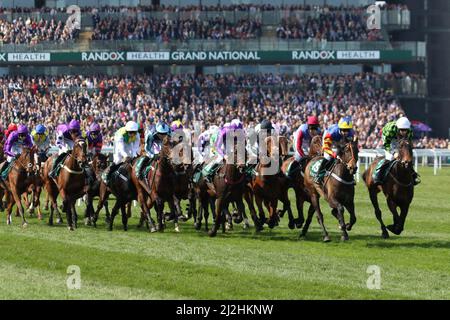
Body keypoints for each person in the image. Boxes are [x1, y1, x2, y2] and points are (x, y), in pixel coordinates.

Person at [374, 116, 420, 185]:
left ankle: (413, 176)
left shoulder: (409, 132)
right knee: (389, 158)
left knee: (407, 159)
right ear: (398, 128)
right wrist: (394, 153)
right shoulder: (390, 130)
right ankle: (378, 175)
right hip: (390, 139)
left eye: (405, 130)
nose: (404, 132)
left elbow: (409, 145)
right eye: (402, 130)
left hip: (401, 141)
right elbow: (386, 144)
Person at [314, 116, 354, 184]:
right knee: (328, 157)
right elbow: (326, 147)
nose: (346, 132)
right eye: (344, 130)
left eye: (347, 130)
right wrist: (333, 154)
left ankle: (349, 177)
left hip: (339, 140)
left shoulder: (351, 134)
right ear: (340, 129)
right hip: (330, 138)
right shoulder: (332, 132)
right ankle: (318, 175)